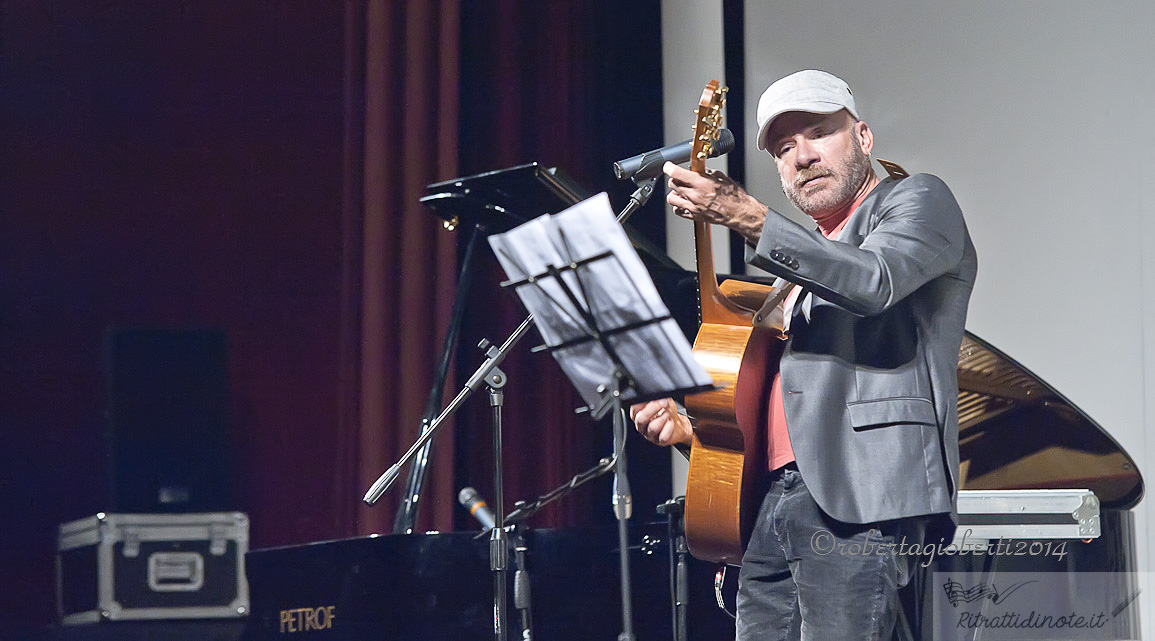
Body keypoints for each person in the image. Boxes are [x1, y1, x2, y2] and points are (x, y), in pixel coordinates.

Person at [630, 70, 977, 640]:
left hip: (859, 499)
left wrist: (749, 218)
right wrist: (694, 430)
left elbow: (874, 281)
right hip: (772, 504)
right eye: (784, 148)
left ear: (863, 137)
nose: (802, 157)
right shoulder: (791, 279)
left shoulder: (918, 199)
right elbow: (781, 408)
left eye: (819, 133)